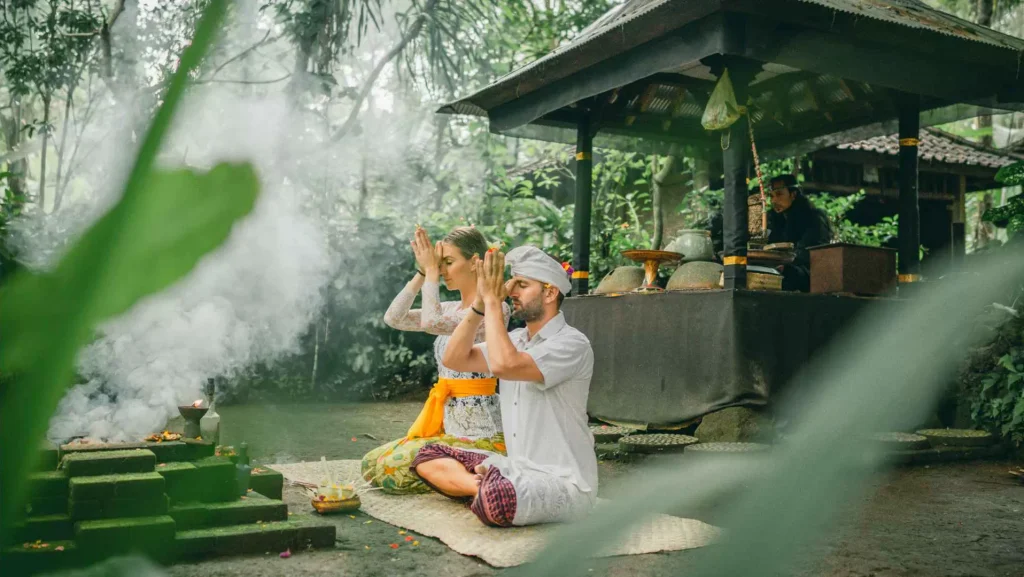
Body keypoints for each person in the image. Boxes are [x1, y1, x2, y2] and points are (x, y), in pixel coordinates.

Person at [410, 246, 597, 527]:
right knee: (428, 455)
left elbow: (506, 365)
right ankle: (479, 487)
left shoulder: (572, 343)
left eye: (522, 284)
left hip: (564, 483)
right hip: (515, 469)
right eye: (512, 284)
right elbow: (455, 358)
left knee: (498, 499)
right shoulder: (518, 339)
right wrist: (479, 306)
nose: (511, 291)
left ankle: (490, 489)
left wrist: (494, 303)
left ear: (549, 293)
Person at [361, 226, 511, 495]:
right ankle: (458, 473)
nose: (442, 270)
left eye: (448, 263)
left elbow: (432, 322)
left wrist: (430, 272)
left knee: (390, 467)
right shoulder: (453, 309)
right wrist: (421, 273)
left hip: (483, 435)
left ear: (475, 262)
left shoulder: (494, 308)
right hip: (448, 430)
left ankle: (472, 475)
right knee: (371, 463)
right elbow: (393, 318)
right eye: (439, 265)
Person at [765, 174, 834, 291]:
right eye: (771, 196)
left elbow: (809, 253)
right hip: (782, 267)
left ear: (793, 194)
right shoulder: (774, 219)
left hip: (811, 273)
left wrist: (785, 265)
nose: (774, 200)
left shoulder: (813, 217)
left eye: (779, 194)